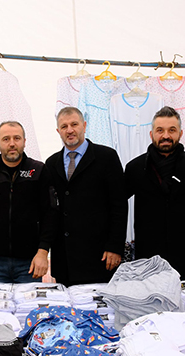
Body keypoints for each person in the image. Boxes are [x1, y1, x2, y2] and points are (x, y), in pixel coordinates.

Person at [125, 106, 185, 280]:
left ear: (180, 133)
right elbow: (117, 202)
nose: (166, 136)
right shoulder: (135, 167)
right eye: (160, 130)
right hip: (148, 253)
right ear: (151, 134)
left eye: (172, 130)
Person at [0, 121, 55, 283]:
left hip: (30, 262)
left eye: (17, 138)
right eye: (6, 139)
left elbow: (50, 213)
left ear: (24, 142)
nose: (12, 143)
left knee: (28, 301)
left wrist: (43, 252)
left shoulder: (38, 170)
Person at [45, 107, 128, 286]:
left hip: (99, 257)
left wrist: (115, 246)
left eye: (74, 124)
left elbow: (119, 206)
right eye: (64, 126)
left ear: (84, 125)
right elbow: (50, 209)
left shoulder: (107, 157)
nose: (69, 130)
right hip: (65, 260)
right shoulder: (51, 164)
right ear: (58, 131)